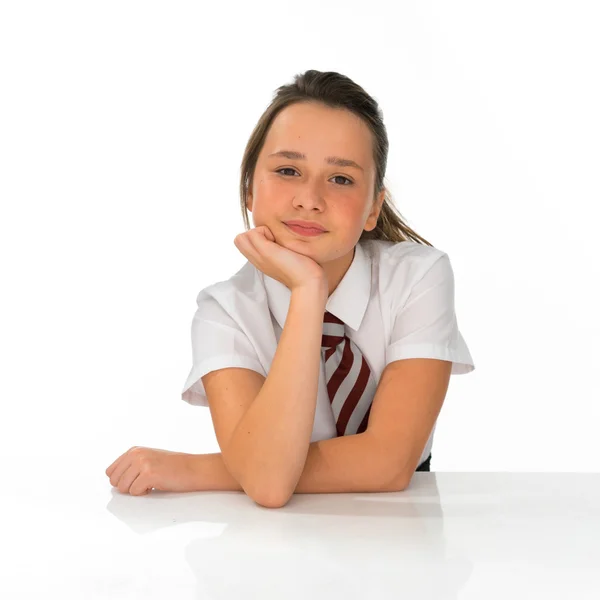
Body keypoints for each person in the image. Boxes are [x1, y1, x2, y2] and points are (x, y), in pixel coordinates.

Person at [106, 70, 475, 502]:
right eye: (287, 170)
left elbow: (390, 463)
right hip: (274, 543)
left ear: (374, 208)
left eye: (340, 179)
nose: (310, 199)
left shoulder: (420, 276)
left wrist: (200, 468)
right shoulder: (225, 311)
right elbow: (266, 487)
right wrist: (307, 293)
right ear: (249, 189)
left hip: (404, 524)